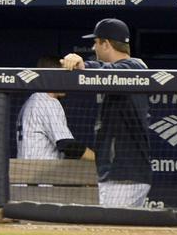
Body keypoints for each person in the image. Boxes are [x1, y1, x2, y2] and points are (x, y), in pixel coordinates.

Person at [60, 18, 151, 207]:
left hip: (125, 174)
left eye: (96, 42)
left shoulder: (135, 67)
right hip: (117, 173)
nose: (94, 48)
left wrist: (83, 65)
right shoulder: (121, 70)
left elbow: (109, 71)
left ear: (106, 43)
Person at [17, 56, 94, 160]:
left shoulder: (31, 101)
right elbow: (67, 145)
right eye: (63, 77)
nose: (67, 82)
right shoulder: (47, 101)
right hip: (40, 171)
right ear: (51, 77)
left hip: (24, 169)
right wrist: (98, 160)